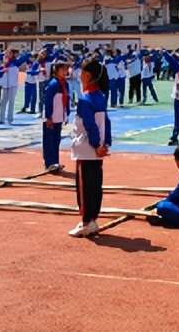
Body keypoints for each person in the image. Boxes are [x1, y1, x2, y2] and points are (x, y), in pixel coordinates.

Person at [69, 58, 112, 237]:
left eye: (81, 73)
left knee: (84, 187)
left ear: (87, 76)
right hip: (97, 149)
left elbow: (90, 125)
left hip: (87, 149)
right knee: (95, 185)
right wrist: (105, 143)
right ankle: (92, 219)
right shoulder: (100, 96)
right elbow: (106, 122)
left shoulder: (85, 99)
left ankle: (86, 221)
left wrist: (96, 145)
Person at [42, 60, 70, 173]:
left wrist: (66, 114)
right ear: (56, 71)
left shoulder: (65, 84)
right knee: (49, 140)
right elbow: (48, 101)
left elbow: (66, 100)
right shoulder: (53, 85)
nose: (65, 72)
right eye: (63, 70)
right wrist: (48, 116)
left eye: (66, 70)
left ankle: (55, 161)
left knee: (56, 140)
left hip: (59, 116)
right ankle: (49, 163)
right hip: (51, 117)